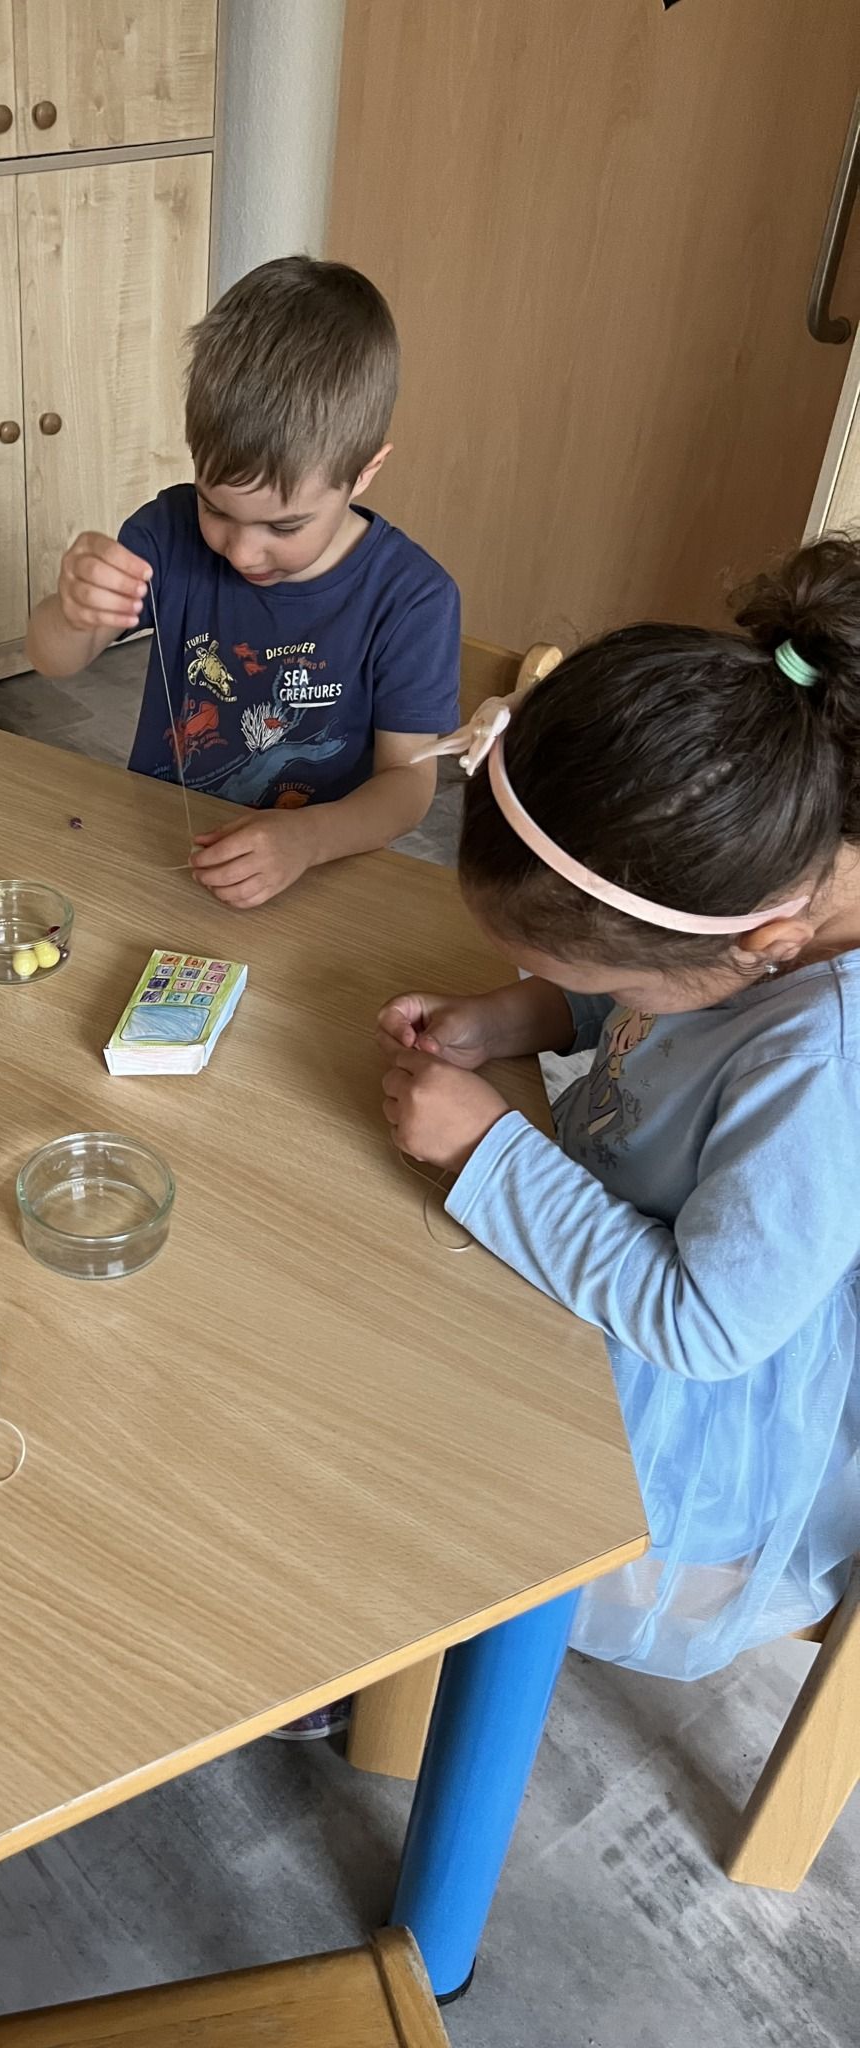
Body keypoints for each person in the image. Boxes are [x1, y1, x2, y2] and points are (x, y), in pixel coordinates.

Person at [378, 537, 860, 1680]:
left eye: (602, 980)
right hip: (617, 1250)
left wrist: (488, 1151)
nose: (600, 995)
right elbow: (663, 993)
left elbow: (706, 1325)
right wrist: (520, 1015)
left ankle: (387, 1656)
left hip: (681, 1415)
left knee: (396, 1446)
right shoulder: (762, 892)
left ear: (760, 946)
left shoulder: (824, 1067)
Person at [23, 257, 459, 909]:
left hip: (316, 874)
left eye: (284, 525)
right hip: (167, 847)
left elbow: (408, 788)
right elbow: (52, 659)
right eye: (216, 509)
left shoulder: (414, 598)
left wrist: (307, 840)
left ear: (364, 473)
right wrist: (71, 610)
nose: (242, 550)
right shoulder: (166, 532)